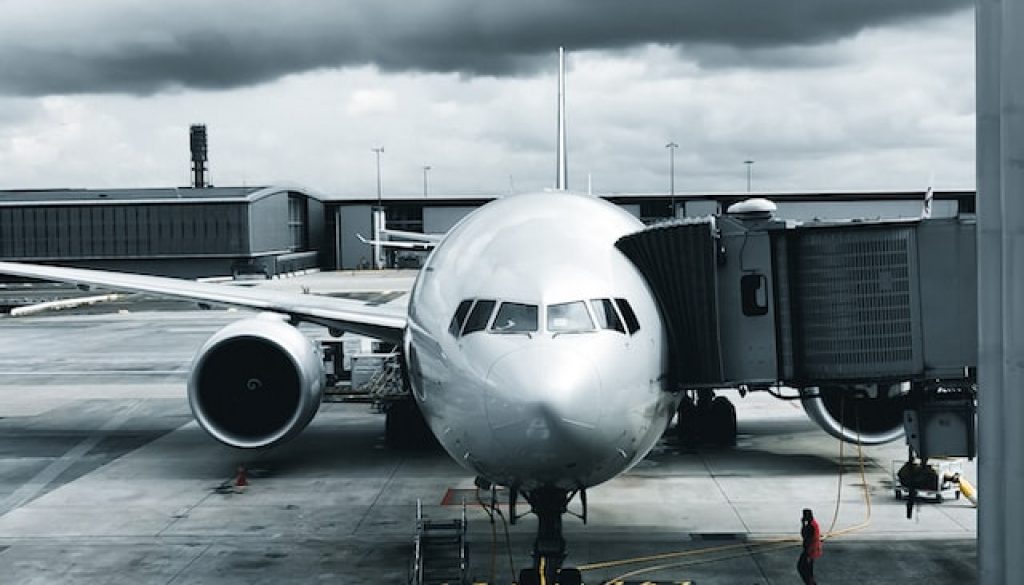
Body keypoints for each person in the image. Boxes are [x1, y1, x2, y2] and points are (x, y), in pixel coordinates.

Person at [798, 508, 822, 584]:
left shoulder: (810, 526)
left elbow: (804, 536)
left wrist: (803, 524)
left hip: (810, 551)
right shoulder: (813, 524)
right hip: (812, 550)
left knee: (804, 569)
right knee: (807, 571)